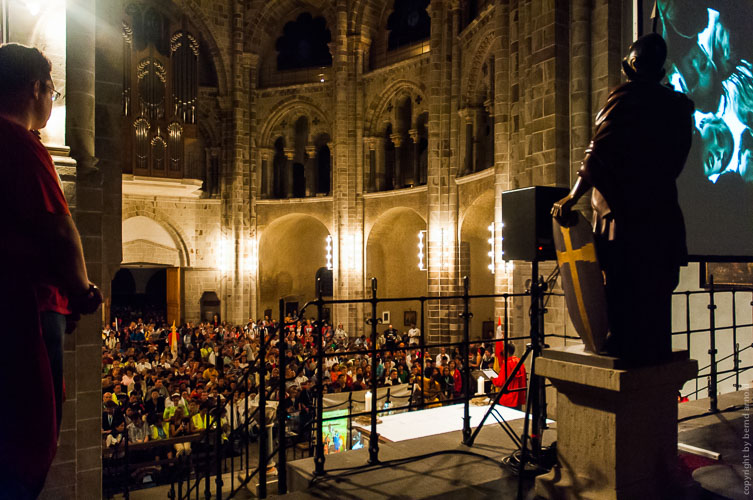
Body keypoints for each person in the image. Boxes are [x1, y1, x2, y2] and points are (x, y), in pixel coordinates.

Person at [552, 33, 694, 364]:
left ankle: (622, 339)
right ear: (659, 71)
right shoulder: (678, 108)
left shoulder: (625, 97)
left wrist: (572, 197)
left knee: (622, 275)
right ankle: (655, 341)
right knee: (656, 280)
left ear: (630, 66)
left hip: (626, 211)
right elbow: (677, 161)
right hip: (660, 208)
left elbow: (598, 151)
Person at [0, 42, 103, 498]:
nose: (52, 101)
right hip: (29, 307)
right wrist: (81, 292)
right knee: (32, 430)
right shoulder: (20, 146)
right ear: (35, 88)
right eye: (52, 91)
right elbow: (60, 234)